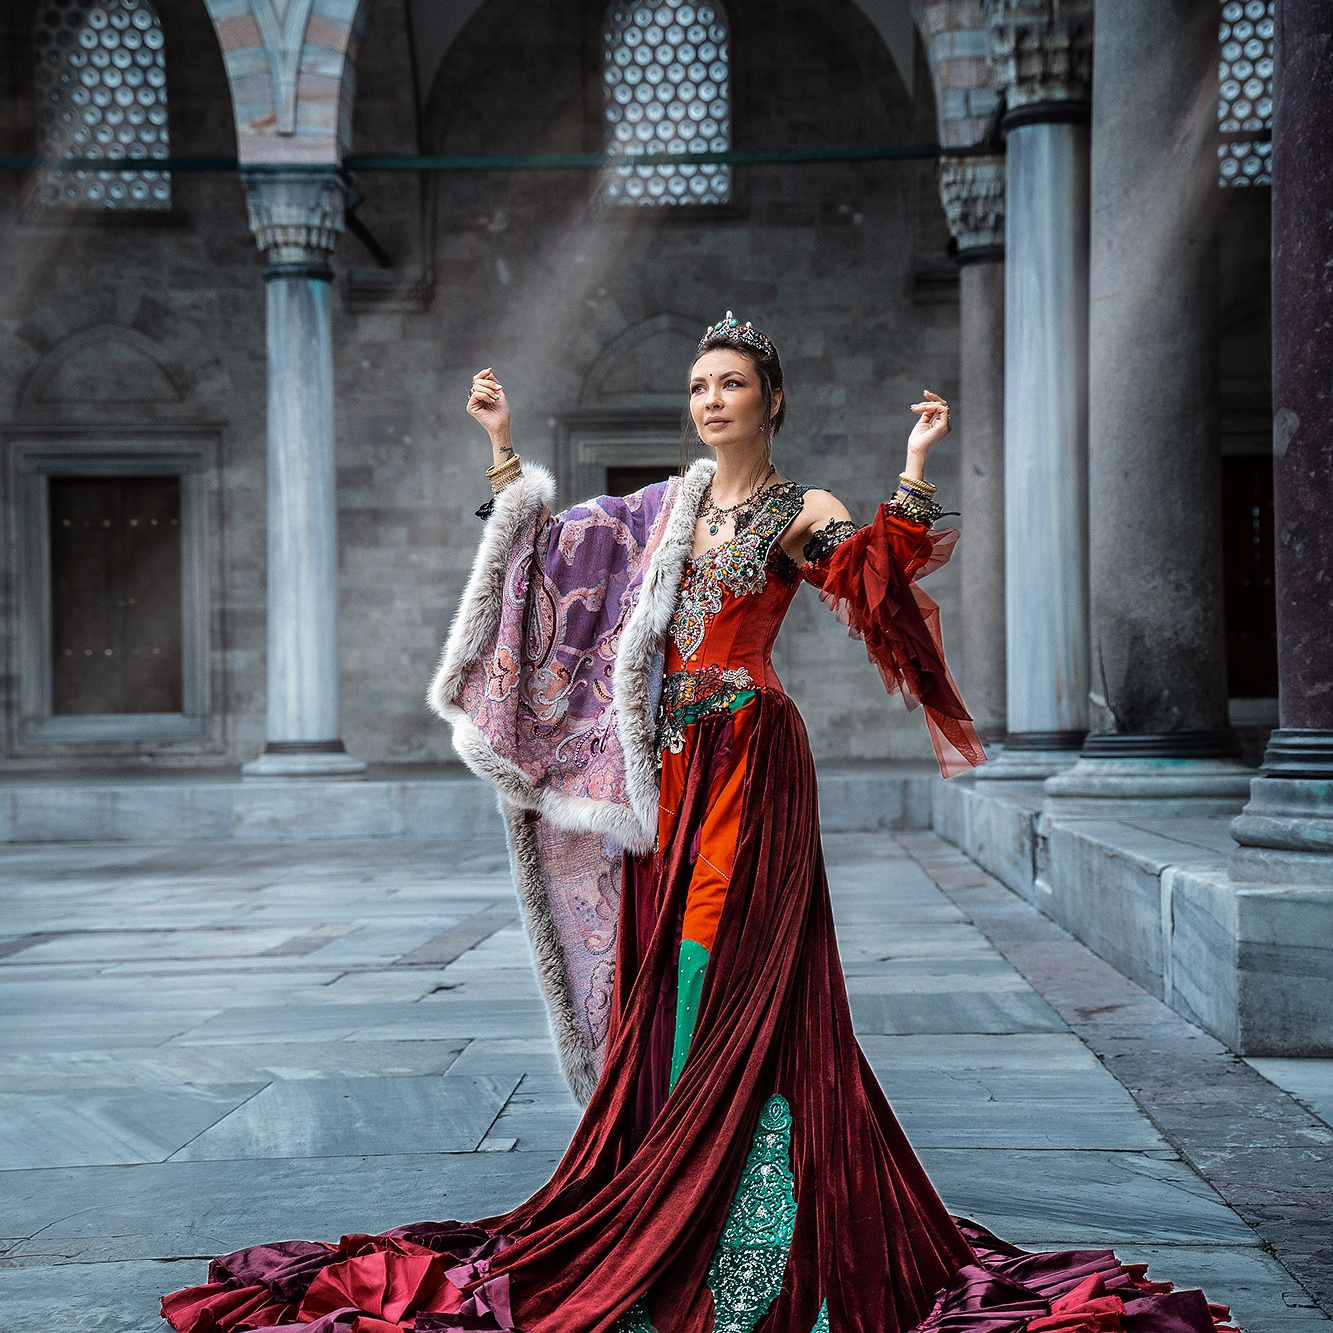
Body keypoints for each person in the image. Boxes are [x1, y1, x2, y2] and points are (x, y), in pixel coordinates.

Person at [160, 315, 1229, 1333]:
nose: (710, 400)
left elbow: (870, 587)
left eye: (730, 384)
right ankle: (662, 1189)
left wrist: (913, 465)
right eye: (698, 387)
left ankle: (739, 1217)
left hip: (750, 757)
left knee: (721, 966)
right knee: (658, 966)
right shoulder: (659, 510)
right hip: (663, 770)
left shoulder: (797, 508)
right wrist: (501, 454)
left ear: (773, 399)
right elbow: (554, 564)